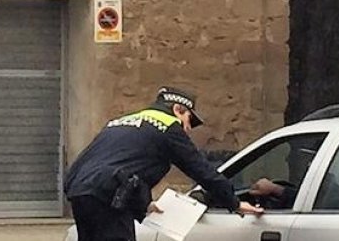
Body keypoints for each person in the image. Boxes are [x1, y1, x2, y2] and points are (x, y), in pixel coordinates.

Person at [64, 86, 264, 241]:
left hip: (80, 192)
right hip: (107, 197)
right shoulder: (169, 126)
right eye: (189, 120)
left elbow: (122, 165)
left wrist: (143, 203)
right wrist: (234, 202)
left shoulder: (124, 121)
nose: (188, 129)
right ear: (178, 108)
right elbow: (200, 169)